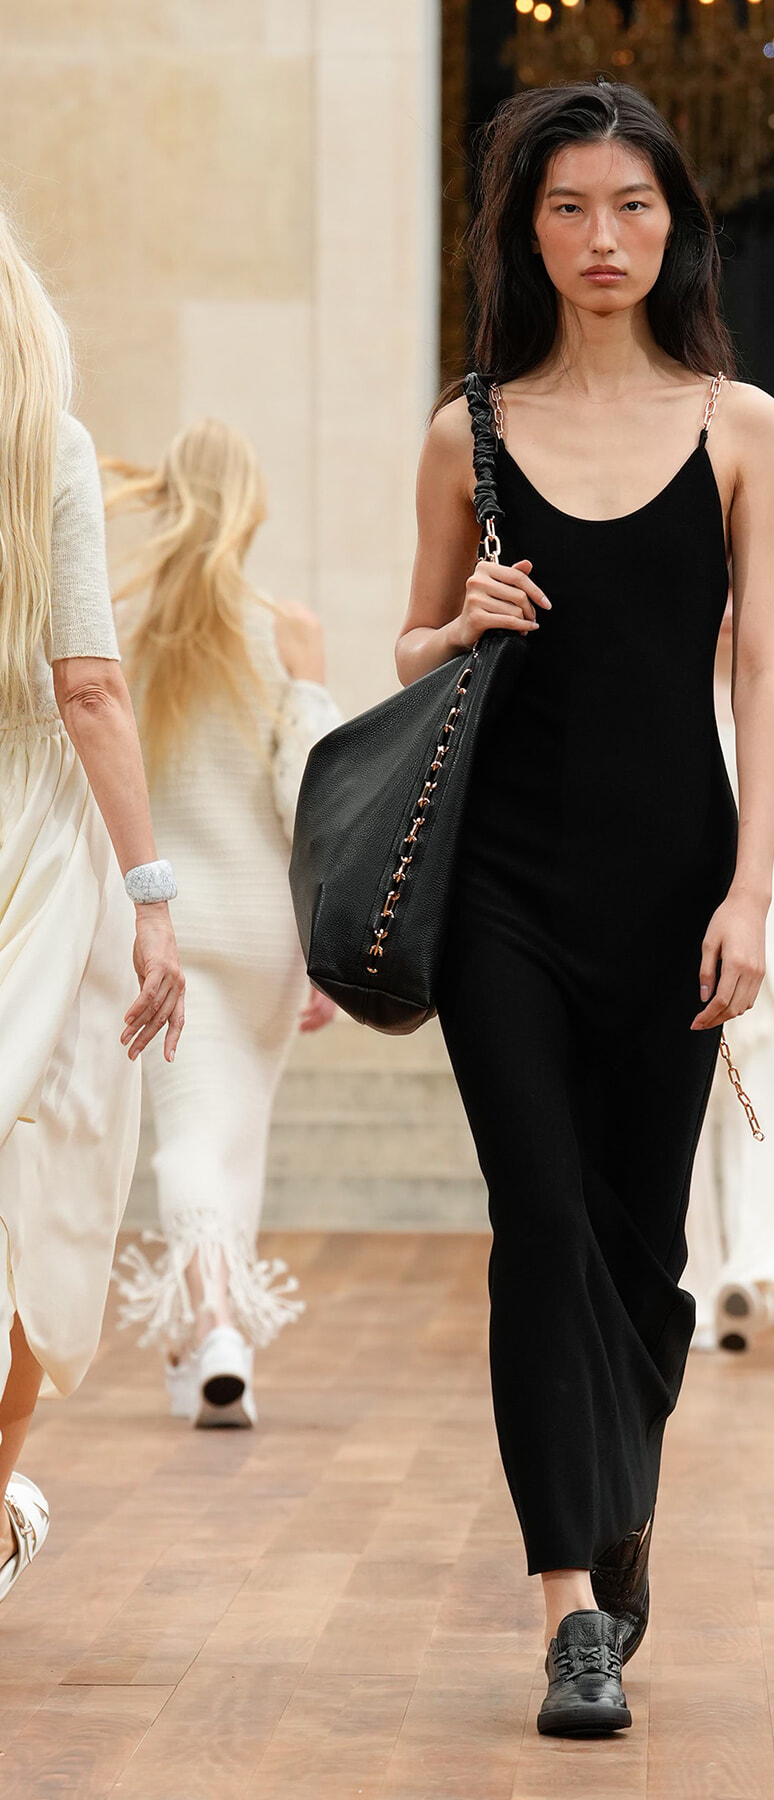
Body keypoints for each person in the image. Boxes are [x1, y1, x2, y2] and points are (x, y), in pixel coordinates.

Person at [395, 79, 774, 1736]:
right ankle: (569, 1601)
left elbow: (758, 672)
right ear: (526, 233)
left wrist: (755, 892)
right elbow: (404, 658)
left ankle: (622, 1517)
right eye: (568, 208)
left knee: (641, 1262)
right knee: (541, 1224)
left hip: (675, 885)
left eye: (631, 205)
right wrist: (462, 617)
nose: (603, 237)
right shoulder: (466, 430)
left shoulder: (741, 425)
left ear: (673, 221)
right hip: (503, 888)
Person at [0, 204, 185, 1602]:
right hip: (38, 843)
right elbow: (89, 686)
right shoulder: (46, 448)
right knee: (50, 1169)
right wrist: (152, 893)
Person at [105, 421, 341, 1428]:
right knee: (234, 1135)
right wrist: (327, 943)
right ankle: (210, 1341)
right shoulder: (286, 627)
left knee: (191, 1136)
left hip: (166, 923)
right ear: (251, 503)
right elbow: (316, 795)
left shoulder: (121, 626)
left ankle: (211, 1328)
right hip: (267, 937)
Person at [685, 598, 774, 1353]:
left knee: (762, 1109)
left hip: (771, 948)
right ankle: (699, 1290)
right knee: (687, 1128)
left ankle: (754, 1273)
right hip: (681, 942)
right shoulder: (668, 701)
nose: (730, 612)